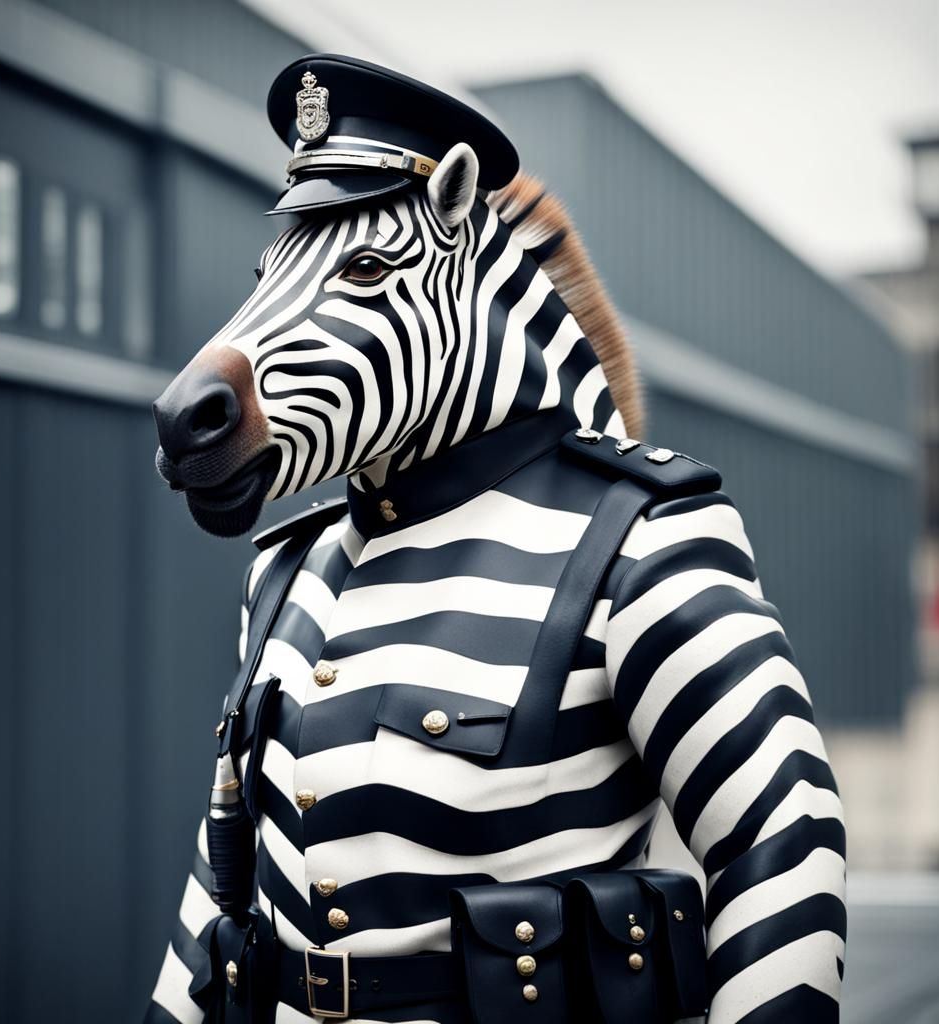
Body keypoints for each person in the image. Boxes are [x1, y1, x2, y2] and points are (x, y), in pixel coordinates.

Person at [146, 53, 846, 1024]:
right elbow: (221, 882)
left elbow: (782, 837)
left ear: (455, 279)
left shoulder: (639, 538)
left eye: (363, 269)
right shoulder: (290, 567)